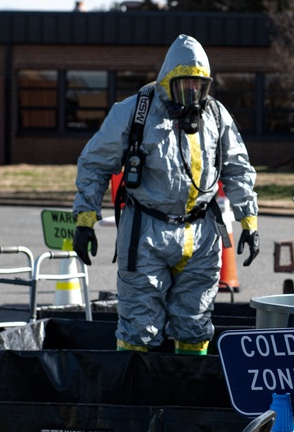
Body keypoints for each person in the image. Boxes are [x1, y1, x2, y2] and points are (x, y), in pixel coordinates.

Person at [72, 34, 259, 355]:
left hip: (201, 235)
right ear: (167, 81)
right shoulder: (133, 113)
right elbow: (93, 164)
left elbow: (238, 167)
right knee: (138, 326)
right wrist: (85, 220)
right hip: (144, 233)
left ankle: (184, 393)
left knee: (195, 322)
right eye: (185, 85)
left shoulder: (215, 116)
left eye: (199, 87)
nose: (192, 94)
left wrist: (249, 220)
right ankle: (136, 397)